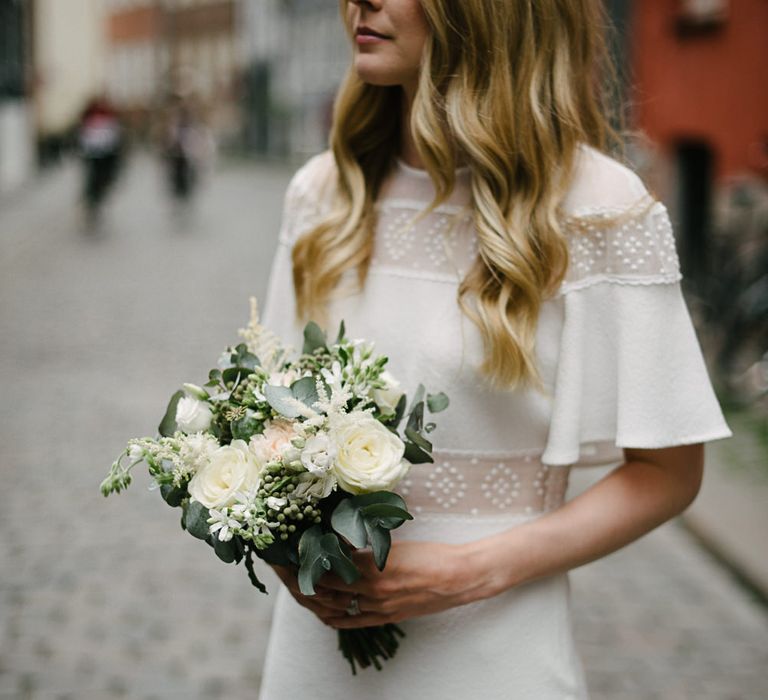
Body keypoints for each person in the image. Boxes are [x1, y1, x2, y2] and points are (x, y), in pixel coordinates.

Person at [257, 1, 731, 697]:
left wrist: (469, 571)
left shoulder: (599, 207)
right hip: (316, 653)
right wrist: (277, 545)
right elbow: (267, 428)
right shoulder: (323, 195)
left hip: (492, 650)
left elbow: (668, 472)